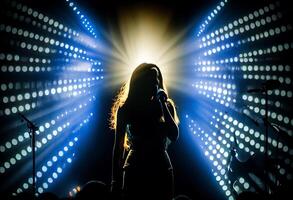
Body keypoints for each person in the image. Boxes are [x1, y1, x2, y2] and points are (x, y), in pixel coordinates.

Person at [110, 63, 179, 200]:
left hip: (161, 168)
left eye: (157, 78)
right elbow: (118, 148)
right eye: (151, 78)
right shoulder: (126, 109)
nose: (155, 82)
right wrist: (114, 181)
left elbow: (174, 135)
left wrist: (163, 104)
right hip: (136, 168)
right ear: (140, 82)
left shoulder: (165, 105)